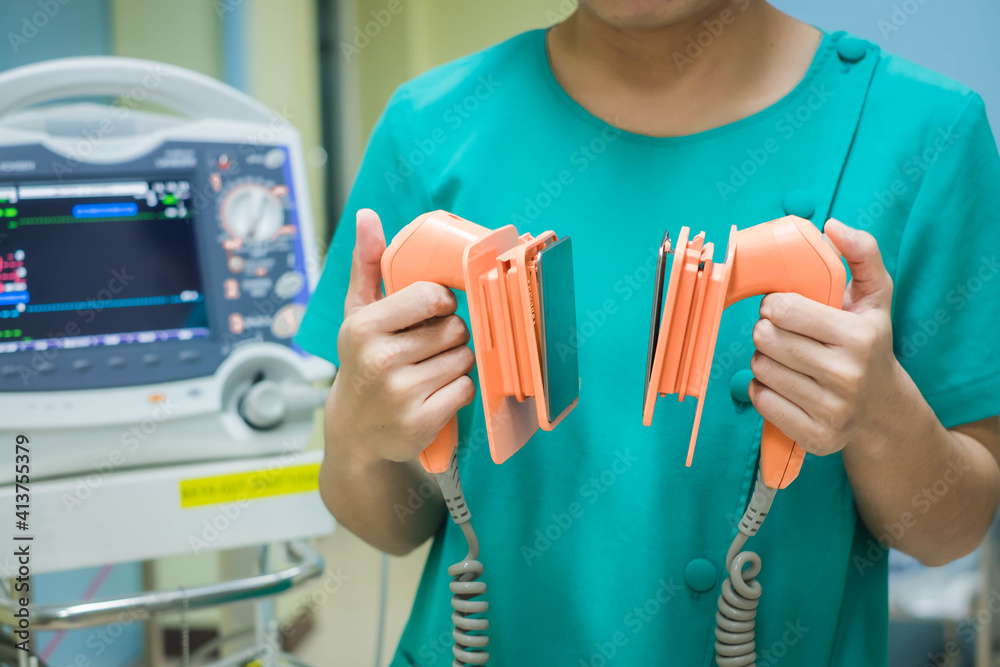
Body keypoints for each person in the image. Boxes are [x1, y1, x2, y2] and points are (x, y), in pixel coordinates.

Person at [296, 1, 1000, 664]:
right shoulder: (431, 125)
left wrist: (880, 416)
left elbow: (951, 528)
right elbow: (388, 524)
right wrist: (360, 431)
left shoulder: (924, 131)